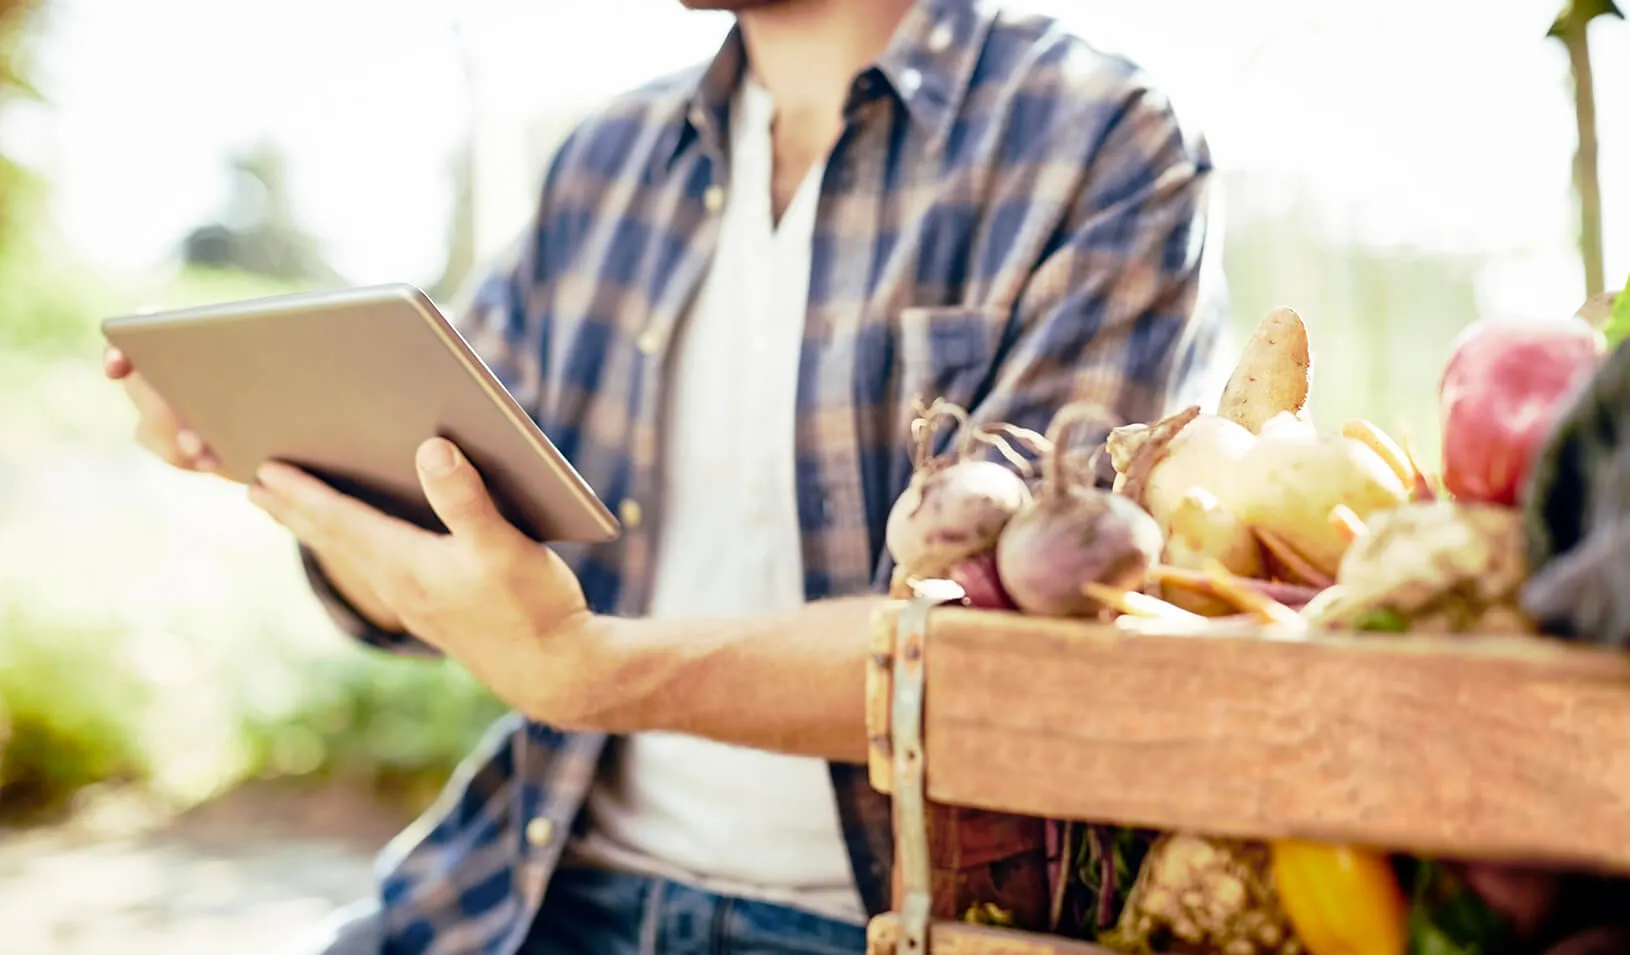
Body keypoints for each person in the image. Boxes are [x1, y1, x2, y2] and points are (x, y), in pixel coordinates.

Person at [105, 0, 1227, 951]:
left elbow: (1023, 653)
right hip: (539, 872)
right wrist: (287, 462)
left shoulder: (1100, 141)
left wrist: (586, 668)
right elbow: (436, 556)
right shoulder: (608, 161)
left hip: (877, 918)